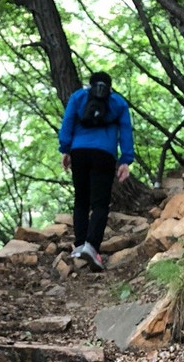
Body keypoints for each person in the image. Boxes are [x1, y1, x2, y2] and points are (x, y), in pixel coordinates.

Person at [58, 71, 135, 271]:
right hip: (104, 154)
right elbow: (126, 129)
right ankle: (92, 247)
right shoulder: (118, 102)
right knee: (100, 203)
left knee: (81, 200)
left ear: (90, 84)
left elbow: (67, 122)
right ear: (109, 87)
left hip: (79, 151)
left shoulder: (78, 97)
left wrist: (65, 149)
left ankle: (80, 245)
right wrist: (126, 160)